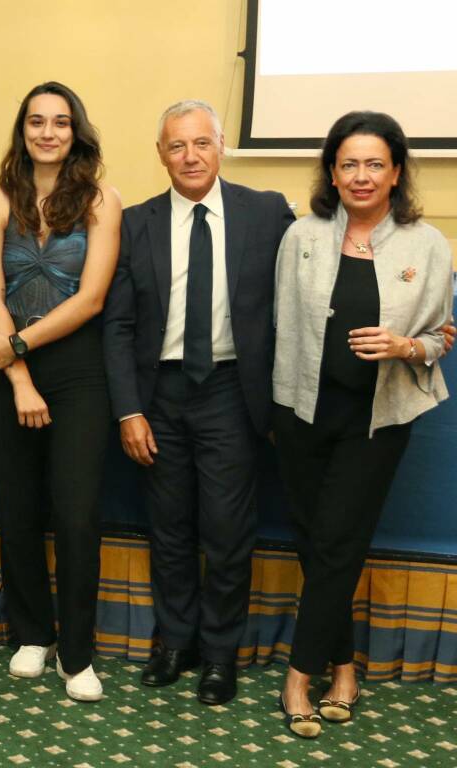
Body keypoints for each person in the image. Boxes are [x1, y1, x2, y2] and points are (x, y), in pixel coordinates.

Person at [103, 100, 295, 705]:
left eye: (202, 143)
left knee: (228, 530)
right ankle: (176, 643)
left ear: (221, 147)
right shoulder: (135, 223)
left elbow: (314, 277)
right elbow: (118, 326)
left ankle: (219, 655)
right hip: (159, 394)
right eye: (176, 146)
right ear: (160, 154)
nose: (190, 156)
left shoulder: (266, 213)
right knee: (170, 528)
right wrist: (129, 410)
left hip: (231, 393)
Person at [273, 111, 453, 738]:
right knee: (315, 543)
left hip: (376, 421)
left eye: (375, 163)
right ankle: (344, 667)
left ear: (397, 171)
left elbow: (441, 338)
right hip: (299, 414)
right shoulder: (301, 235)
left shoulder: (428, 244)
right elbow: (280, 325)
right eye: (348, 163)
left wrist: (406, 346)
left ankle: (299, 676)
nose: (361, 175)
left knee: (338, 543)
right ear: (332, 171)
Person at [0, 82, 120, 701]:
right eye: (36, 121)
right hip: (5, 371)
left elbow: (90, 300)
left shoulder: (101, 200)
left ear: (76, 132)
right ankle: (32, 633)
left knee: (78, 514)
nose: (48, 133)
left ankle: (77, 653)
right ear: (23, 130)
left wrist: (23, 351)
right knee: (20, 511)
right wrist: (18, 376)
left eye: (60, 122)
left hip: (80, 373)